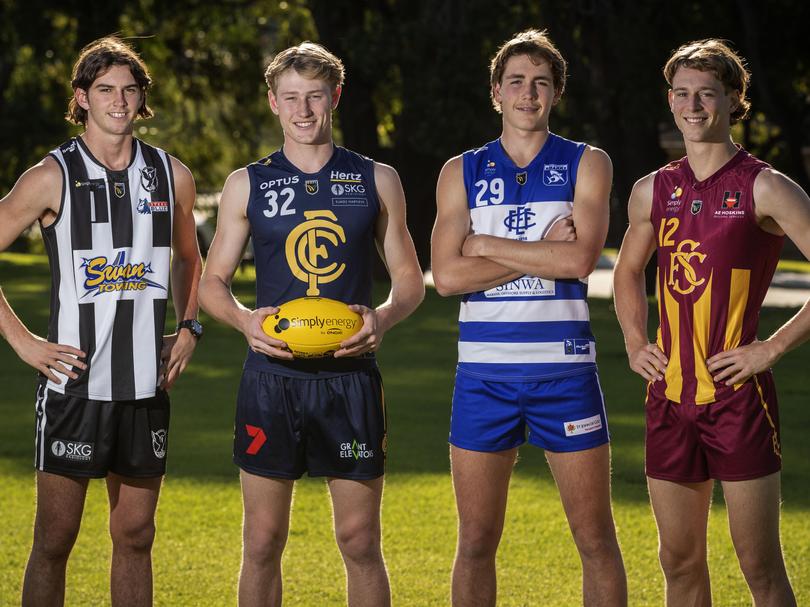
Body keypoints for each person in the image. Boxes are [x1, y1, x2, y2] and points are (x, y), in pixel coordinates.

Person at [198, 42, 424, 607]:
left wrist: (385, 316)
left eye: (315, 96)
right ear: (273, 102)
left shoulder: (376, 178)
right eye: (291, 98)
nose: (303, 111)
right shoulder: (246, 183)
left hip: (349, 380)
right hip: (270, 381)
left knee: (359, 540)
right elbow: (210, 283)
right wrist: (246, 322)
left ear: (335, 98)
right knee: (263, 540)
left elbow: (410, 279)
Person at [0, 37, 202, 606]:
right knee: (55, 539)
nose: (119, 101)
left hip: (145, 386)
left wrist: (189, 328)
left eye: (129, 90)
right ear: (82, 97)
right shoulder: (50, 175)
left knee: (136, 535)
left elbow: (189, 257)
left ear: (142, 100)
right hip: (74, 387)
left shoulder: (171, 175)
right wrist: (22, 342)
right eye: (105, 90)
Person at [431, 29, 626, 607]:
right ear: (496, 92)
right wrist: (540, 247)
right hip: (482, 378)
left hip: (565, 376)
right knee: (475, 542)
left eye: (541, 82)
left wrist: (482, 245)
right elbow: (447, 278)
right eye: (516, 81)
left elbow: (579, 259)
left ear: (556, 92)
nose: (527, 92)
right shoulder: (459, 171)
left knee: (595, 540)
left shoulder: (587, 162)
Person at [613, 39, 806, 606]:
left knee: (759, 566)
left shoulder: (765, 185)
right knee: (677, 561)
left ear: (734, 99)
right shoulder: (653, 189)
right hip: (669, 396)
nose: (692, 105)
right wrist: (633, 340)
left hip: (736, 398)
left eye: (706, 93)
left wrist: (769, 349)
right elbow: (626, 274)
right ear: (669, 100)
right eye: (681, 93)